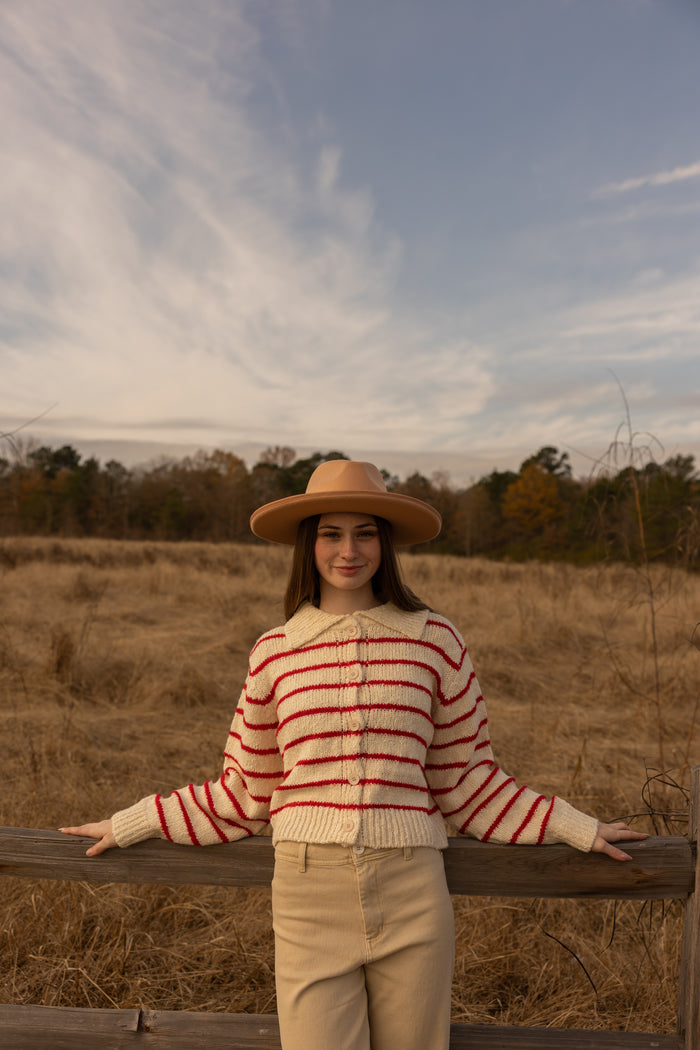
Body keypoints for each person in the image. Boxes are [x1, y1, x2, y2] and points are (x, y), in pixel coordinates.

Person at [61, 459, 645, 1050]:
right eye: (331, 534)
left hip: (414, 889)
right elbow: (244, 793)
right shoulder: (274, 651)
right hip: (306, 894)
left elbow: (467, 782)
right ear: (307, 545)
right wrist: (132, 820)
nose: (349, 550)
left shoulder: (434, 640)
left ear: (384, 543)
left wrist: (574, 825)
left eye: (365, 532)